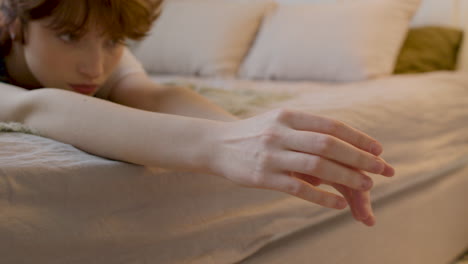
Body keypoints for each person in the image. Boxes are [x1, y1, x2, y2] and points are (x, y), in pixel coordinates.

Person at [0, 0, 394, 227]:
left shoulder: (100, 58)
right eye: (69, 37)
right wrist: (218, 147)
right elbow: (36, 108)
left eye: (114, 41)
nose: (95, 67)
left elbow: (150, 95)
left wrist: (252, 134)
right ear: (13, 22)